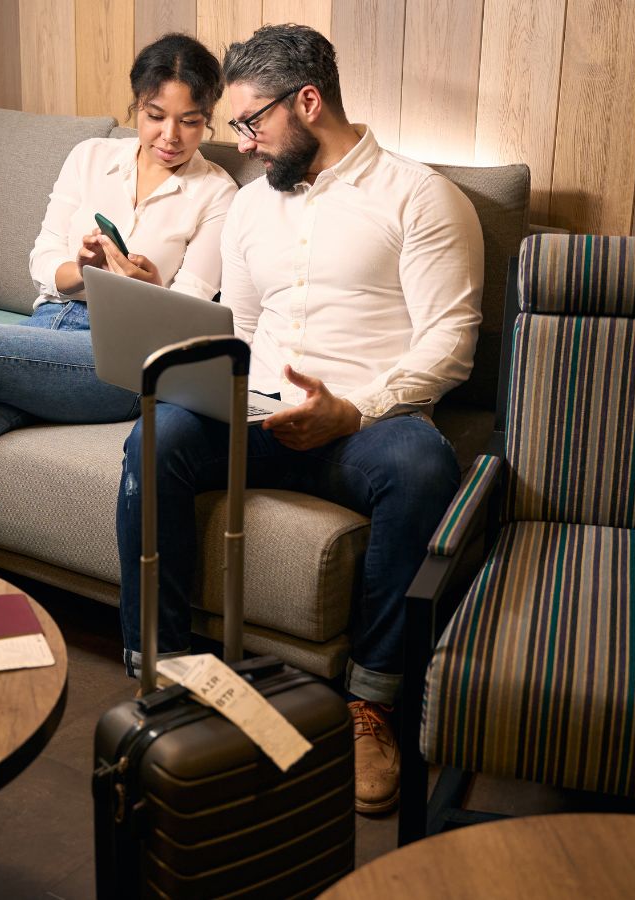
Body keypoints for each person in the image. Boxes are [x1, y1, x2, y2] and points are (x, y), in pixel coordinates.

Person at [112, 24, 484, 815]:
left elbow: (451, 342)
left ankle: (373, 704)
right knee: (158, 433)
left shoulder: (421, 198)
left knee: (425, 468)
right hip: (258, 414)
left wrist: (356, 410)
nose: (242, 145)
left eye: (251, 122)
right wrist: (206, 377)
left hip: (366, 425)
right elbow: (238, 329)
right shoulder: (252, 209)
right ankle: (163, 665)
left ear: (307, 102)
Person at [0, 34, 238, 546]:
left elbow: (187, 316)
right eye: (155, 115)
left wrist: (149, 289)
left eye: (190, 121)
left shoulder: (218, 193)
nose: (170, 135)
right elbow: (42, 261)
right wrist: (81, 268)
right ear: (135, 107)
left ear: (208, 117)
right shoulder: (90, 157)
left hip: (122, 360)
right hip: (46, 332)